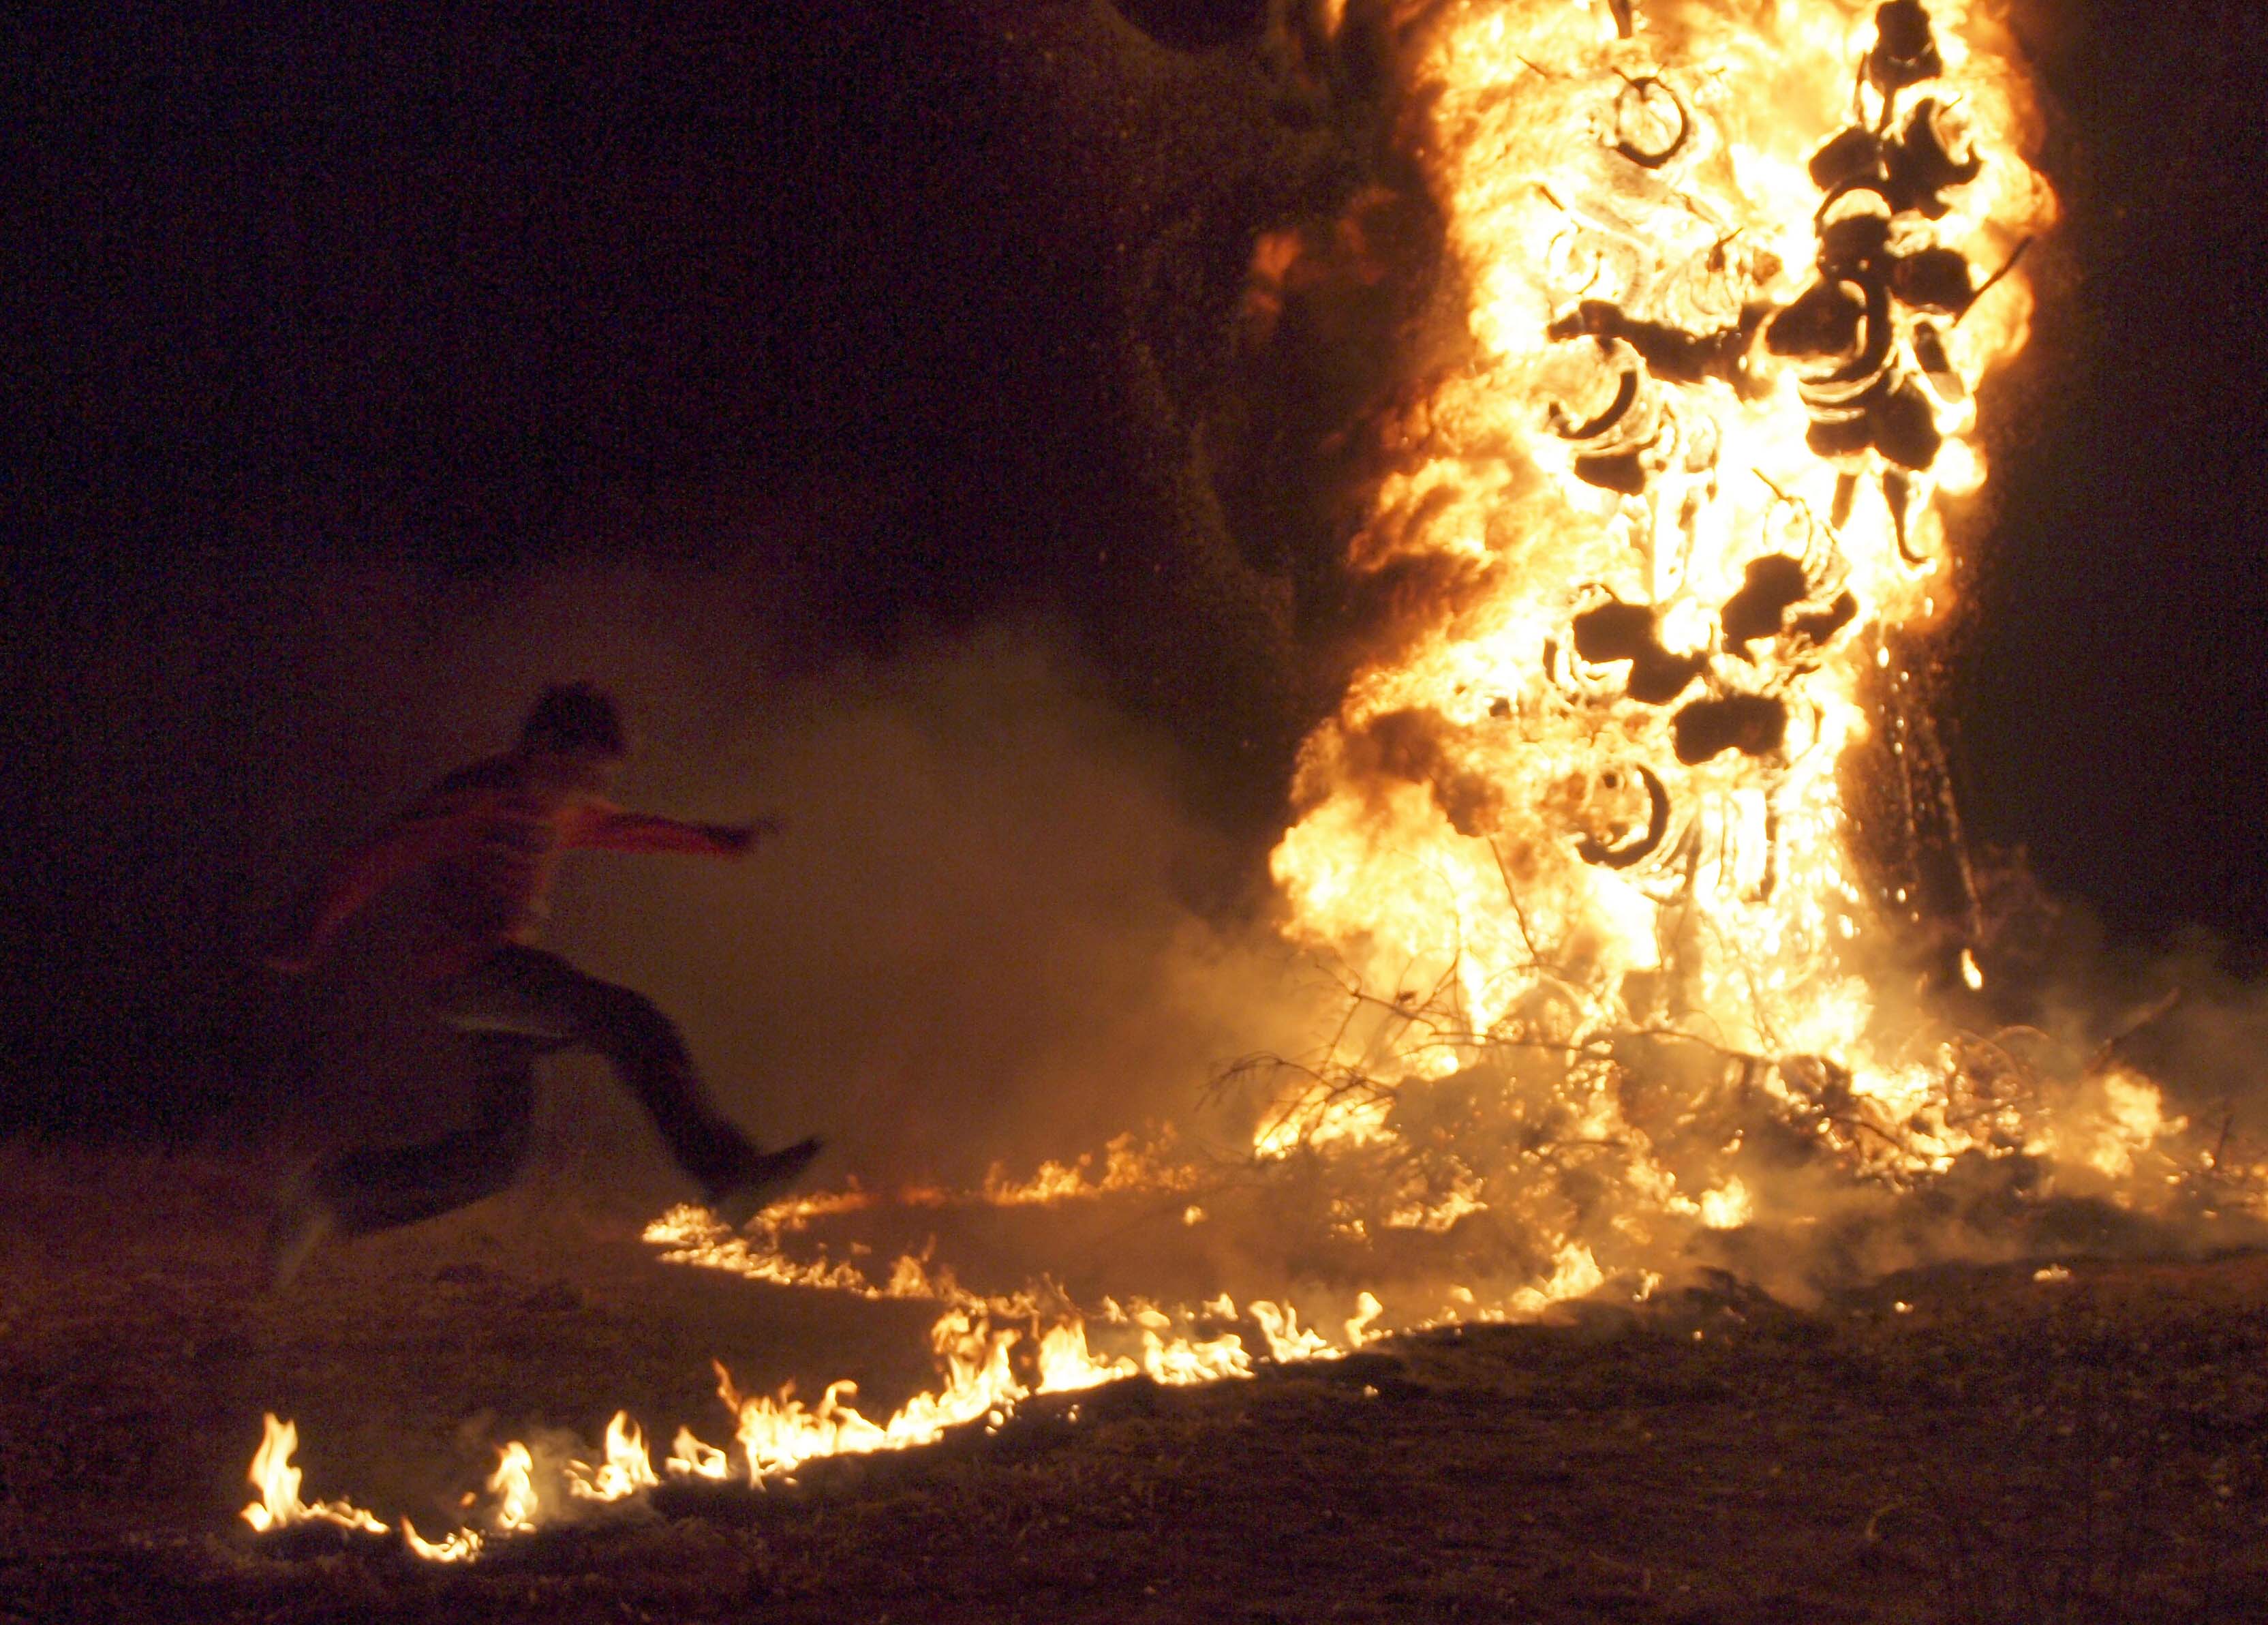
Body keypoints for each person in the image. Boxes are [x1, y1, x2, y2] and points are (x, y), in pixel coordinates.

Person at [260, 682, 819, 1286]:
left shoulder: (564, 807)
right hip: (468, 975)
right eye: (582, 773)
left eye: (598, 779)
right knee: (629, 1021)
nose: (590, 792)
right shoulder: (476, 798)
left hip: (502, 989)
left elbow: (633, 828)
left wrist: (725, 842)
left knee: (495, 1160)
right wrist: (308, 927)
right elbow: (380, 854)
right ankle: (728, 1178)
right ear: (542, 749)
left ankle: (326, 1193)